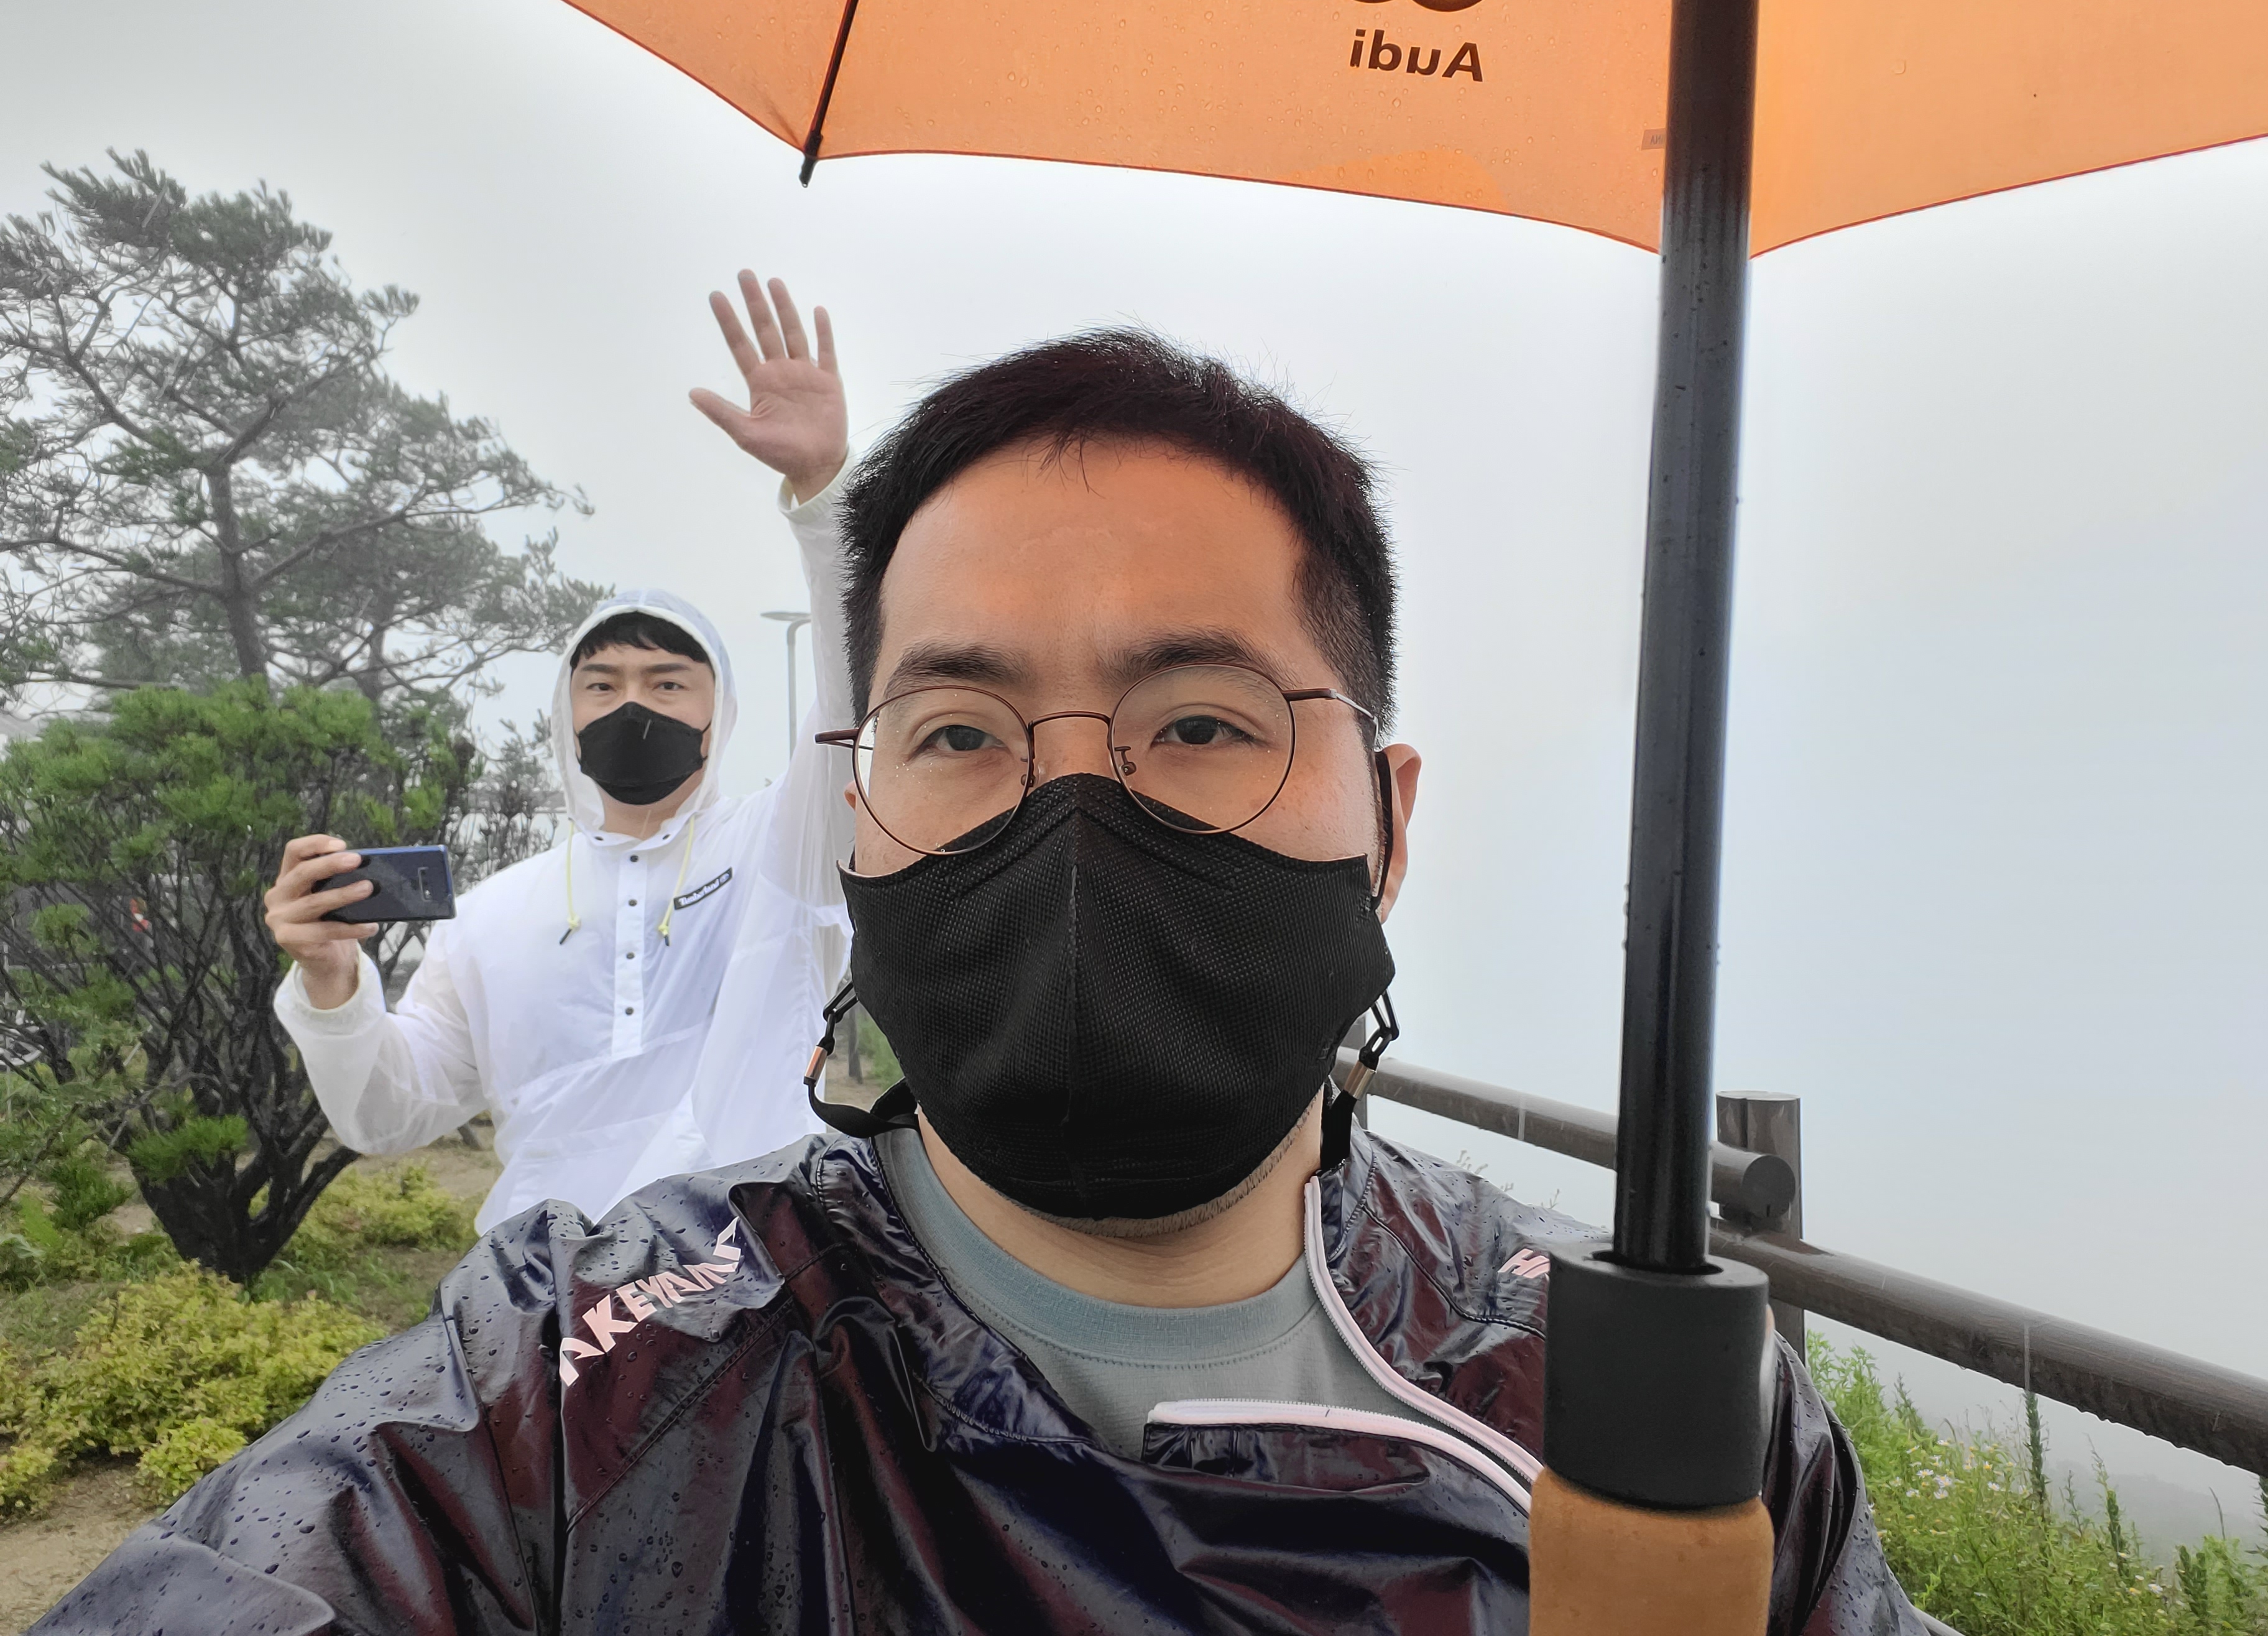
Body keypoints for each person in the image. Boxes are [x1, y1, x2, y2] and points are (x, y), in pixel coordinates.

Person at [44, 332, 1923, 1634]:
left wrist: (818, 495)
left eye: (1203, 722)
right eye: (958, 732)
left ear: (1390, 823)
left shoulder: (1647, 1411)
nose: (1071, 819)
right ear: (868, 822)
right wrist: (328, 990)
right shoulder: (569, 1387)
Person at [259, 273, 856, 1231]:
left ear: (720, 715)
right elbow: (387, 1113)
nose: (634, 706)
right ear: (566, 716)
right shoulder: (490, 916)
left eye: (668, 684)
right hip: (547, 1297)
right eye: (602, 684)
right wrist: (332, 981)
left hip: (760, 1277)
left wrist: (823, 497)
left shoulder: (782, 850)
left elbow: (853, 696)